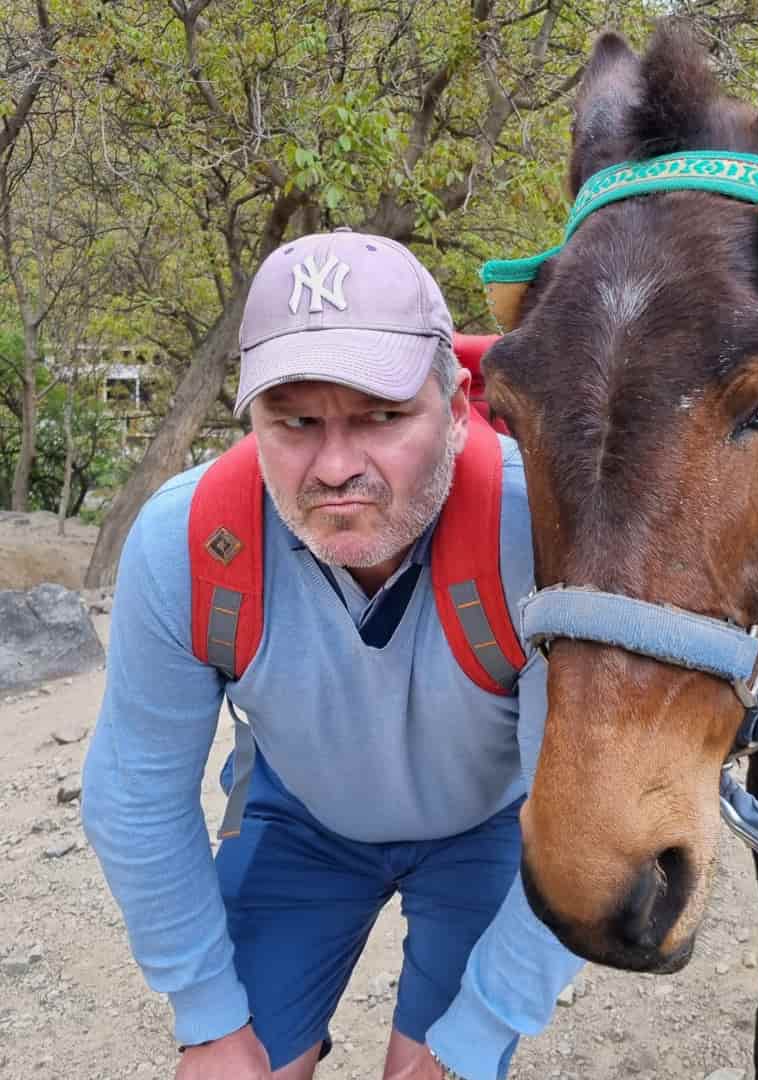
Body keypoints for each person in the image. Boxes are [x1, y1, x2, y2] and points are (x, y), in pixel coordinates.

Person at [81, 228, 583, 1080]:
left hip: (493, 825)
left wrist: (479, 1027)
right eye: (296, 422)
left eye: (383, 416)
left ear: (458, 405)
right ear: (250, 417)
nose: (337, 466)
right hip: (302, 817)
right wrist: (207, 1017)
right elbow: (136, 796)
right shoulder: (188, 543)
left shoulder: (540, 532)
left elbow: (580, 819)